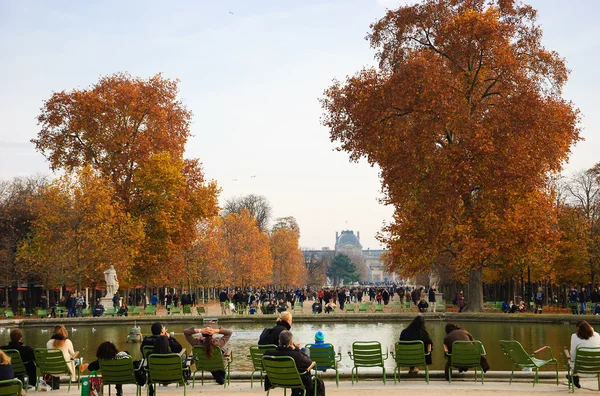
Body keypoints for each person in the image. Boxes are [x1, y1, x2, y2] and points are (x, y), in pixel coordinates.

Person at [264, 330, 322, 396]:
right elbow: (309, 362)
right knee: (317, 382)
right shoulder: (296, 355)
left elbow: (264, 367)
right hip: (295, 381)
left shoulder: (267, 354)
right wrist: (296, 349)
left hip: (275, 380)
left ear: (279, 341)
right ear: (291, 343)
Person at [568, 320, 600, 388]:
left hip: (580, 369)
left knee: (570, 359)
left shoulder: (574, 336)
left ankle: (574, 377)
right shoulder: (597, 335)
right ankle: (573, 378)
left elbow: (573, 356)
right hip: (596, 369)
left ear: (578, 329)